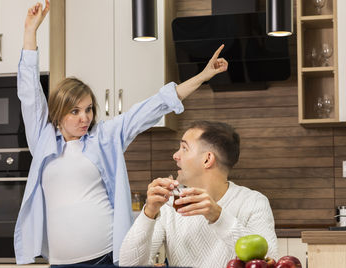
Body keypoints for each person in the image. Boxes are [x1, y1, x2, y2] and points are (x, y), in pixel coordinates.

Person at [14, 0, 228, 266]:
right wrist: (30, 31)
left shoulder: (104, 137)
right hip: (59, 262)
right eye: (75, 111)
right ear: (58, 113)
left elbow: (156, 105)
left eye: (89, 109)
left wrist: (203, 76)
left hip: (106, 257)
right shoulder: (43, 139)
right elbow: (29, 92)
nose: (85, 118)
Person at [119, 121, 278, 268]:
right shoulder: (169, 204)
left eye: (184, 148)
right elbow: (129, 264)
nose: (175, 155)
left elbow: (270, 262)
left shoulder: (253, 202)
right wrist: (149, 213)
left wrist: (218, 217)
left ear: (207, 159)